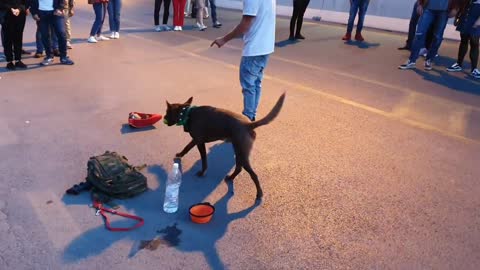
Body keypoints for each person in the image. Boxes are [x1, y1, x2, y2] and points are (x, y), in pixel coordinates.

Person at [211, 0, 276, 121]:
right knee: (256, 84)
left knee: (249, 86)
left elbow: (245, 24)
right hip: (266, 47)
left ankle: (246, 120)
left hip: (254, 49)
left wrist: (224, 39)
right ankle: (251, 116)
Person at [399, 0, 460, 70]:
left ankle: (429, 60)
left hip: (444, 11)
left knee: (437, 37)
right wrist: (420, 4)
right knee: (419, 34)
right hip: (428, 8)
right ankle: (411, 61)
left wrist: (455, 8)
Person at [30, 0, 75, 65]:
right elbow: (31, 1)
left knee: (61, 33)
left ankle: (64, 57)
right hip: (41, 13)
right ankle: (49, 56)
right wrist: (34, 12)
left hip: (55, 12)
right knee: (45, 35)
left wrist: (60, 8)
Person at [447, 0, 480, 78]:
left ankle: (474, 69)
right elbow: (461, 4)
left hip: (477, 16)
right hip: (466, 16)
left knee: (474, 42)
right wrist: (457, 17)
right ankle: (459, 64)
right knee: (463, 40)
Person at [1, 0, 27, 70]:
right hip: (6, 15)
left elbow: (25, 2)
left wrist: (19, 9)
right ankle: (9, 62)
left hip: (20, 15)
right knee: (7, 39)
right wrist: (11, 9)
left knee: (18, 38)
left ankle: (18, 60)